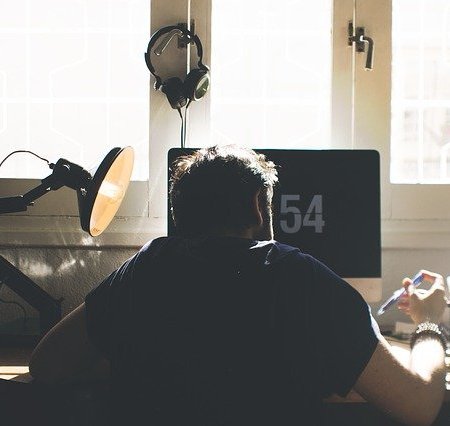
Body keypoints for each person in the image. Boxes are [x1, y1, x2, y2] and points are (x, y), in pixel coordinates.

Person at [29, 145, 447, 425]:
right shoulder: (303, 278)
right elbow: (419, 407)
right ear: (256, 206)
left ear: (181, 214)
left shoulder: (146, 269)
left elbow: (46, 367)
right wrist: (428, 323)